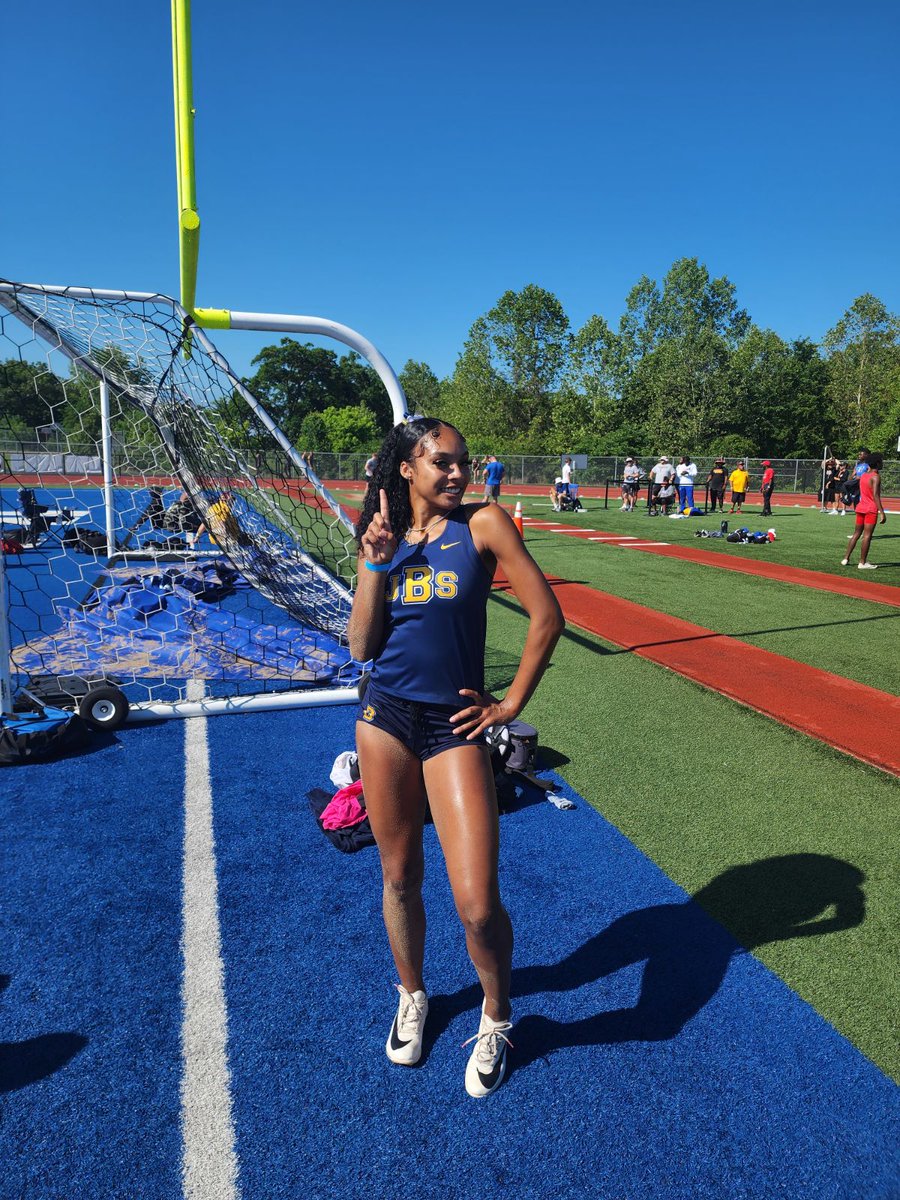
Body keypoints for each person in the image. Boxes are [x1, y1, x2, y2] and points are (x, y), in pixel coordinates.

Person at [348, 417, 564, 1098]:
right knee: (400, 876)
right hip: (385, 720)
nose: (458, 475)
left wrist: (508, 705)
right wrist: (372, 565)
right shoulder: (385, 539)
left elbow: (548, 615)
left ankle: (497, 1014)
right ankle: (412, 995)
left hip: (455, 727)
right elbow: (361, 647)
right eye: (442, 463)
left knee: (475, 904)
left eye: (463, 464)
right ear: (407, 468)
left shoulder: (485, 525)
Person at [841, 452, 886, 569]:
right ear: (877, 463)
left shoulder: (864, 475)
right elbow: (876, 495)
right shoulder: (876, 476)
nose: (882, 463)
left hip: (860, 507)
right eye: (881, 461)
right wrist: (882, 512)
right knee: (867, 536)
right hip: (870, 509)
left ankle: (846, 558)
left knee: (856, 534)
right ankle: (862, 562)